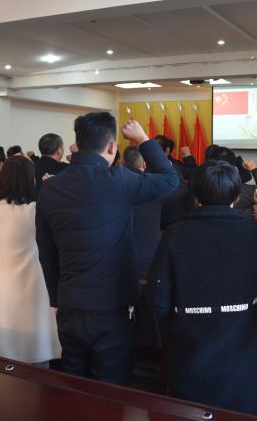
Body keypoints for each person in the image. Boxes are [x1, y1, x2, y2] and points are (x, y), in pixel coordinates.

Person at [36, 113, 178, 384]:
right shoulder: (119, 180)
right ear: (112, 146)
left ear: (77, 143)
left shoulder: (50, 187)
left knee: (74, 386)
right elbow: (170, 180)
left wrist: (56, 298)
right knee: (110, 390)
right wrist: (142, 138)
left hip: (69, 305)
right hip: (111, 308)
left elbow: (47, 252)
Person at [147, 161, 257, 418]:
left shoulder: (175, 234)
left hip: (194, 355)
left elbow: (158, 298)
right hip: (251, 361)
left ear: (196, 194)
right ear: (236, 197)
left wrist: (180, 328)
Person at [0, 156, 61, 365]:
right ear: (30, 179)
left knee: (5, 359)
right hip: (33, 294)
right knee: (36, 357)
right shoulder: (34, 212)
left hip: (0, 292)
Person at [122, 146, 162, 275]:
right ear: (144, 164)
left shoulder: (112, 184)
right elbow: (180, 188)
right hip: (149, 254)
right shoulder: (155, 186)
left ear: (123, 162)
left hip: (118, 256)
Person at [153, 135, 195, 229]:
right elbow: (192, 172)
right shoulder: (174, 166)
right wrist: (188, 156)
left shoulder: (142, 167)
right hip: (173, 220)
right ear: (168, 150)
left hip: (152, 223)